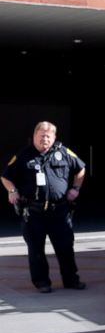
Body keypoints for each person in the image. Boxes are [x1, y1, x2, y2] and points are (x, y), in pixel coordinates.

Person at [1, 121, 87, 293]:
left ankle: (71, 280)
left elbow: (81, 168)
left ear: (54, 137)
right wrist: (12, 191)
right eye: (41, 136)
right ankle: (42, 282)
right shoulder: (24, 155)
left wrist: (75, 188)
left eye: (48, 136)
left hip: (59, 211)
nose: (44, 139)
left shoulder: (63, 152)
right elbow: (5, 176)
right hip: (34, 212)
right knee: (36, 250)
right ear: (34, 137)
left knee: (65, 248)